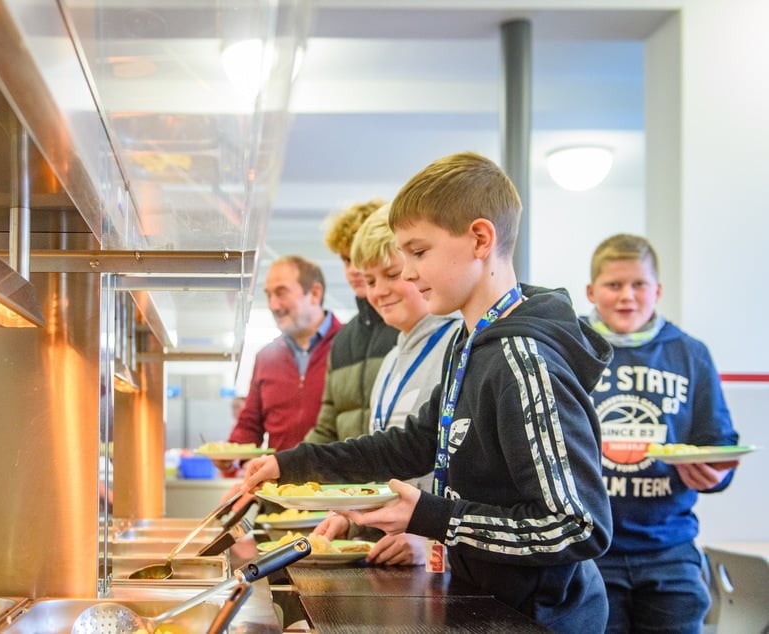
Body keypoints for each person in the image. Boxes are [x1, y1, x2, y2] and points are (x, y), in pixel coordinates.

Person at [236, 151, 614, 633]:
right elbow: (413, 443)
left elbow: (577, 527)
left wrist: (432, 517)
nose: (409, 272)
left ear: (480, 239)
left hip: (542, 619)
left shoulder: (523, 358)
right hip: (486, 605)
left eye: (418, 252)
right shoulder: (468, 340)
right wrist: (292, 463)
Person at [584, 233, 739, 634]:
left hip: (670, 554)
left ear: (658, 290)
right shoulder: (570, 350)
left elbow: (720, 443)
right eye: (613, 285)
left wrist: (717, 474)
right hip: (590, 550)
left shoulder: (691, 353)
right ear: (590, 291)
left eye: (639, 284)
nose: (627, 296)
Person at [313, 203, 462, 566]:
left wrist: (429, 542)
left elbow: (464, 476)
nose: (378, 292)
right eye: (369, 281)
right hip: (394, 553)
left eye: (392, 274)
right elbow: (389, 460)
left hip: (443, 562)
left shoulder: (457, 344)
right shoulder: (394, 357)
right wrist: (351, 513)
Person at [217, 255, 342, 471]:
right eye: (268, 295)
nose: (273, 305)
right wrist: (230, 456)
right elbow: (250, 425)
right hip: (281, 490)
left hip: (339, 492)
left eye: (281, 293)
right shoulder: (266, 357)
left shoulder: (350, 346)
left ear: (314, 293)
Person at [303, 198, 398, 444]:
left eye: (361, 256)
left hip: (401, 480)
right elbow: (327, 429)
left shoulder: (411, 328)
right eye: (346, 260)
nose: (354, 270)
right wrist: (285, 466)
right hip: (352, 482)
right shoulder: (343, 340)